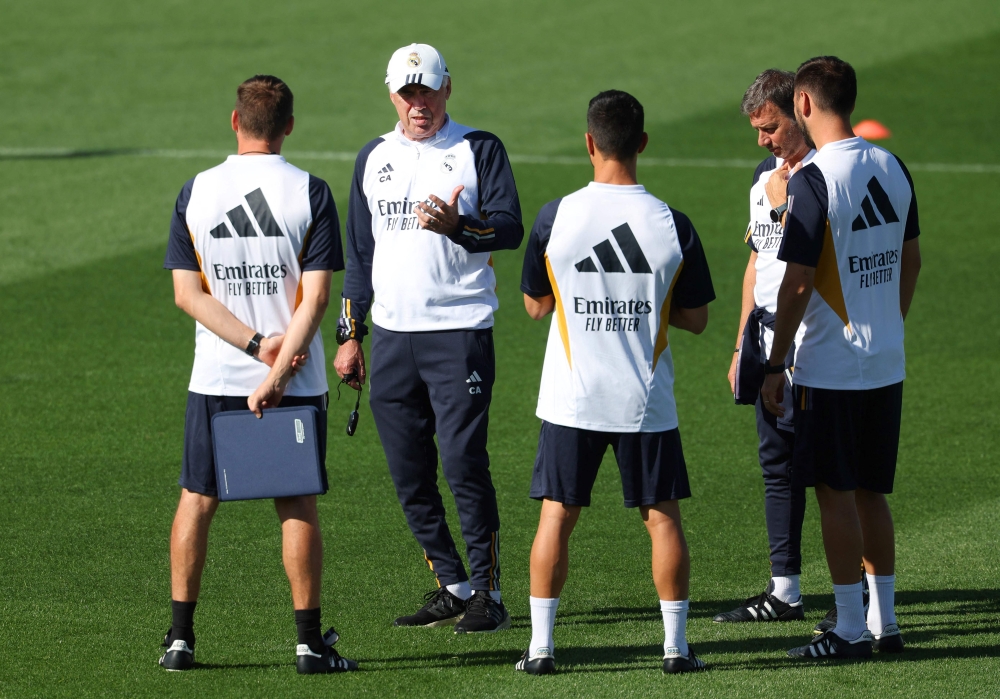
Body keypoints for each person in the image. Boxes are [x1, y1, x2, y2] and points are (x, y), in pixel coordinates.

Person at [160, 75, 357, 674]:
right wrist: (276, 369)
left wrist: (252, 346)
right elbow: (317, 300)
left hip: (217, 375)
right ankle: (307, 645)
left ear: (234, 122)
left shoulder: (197, 191)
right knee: (295, 502)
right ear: (289, 126)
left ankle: (179, 641)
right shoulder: (310, 192)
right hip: (294, 382)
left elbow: (186, 295)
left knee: (197, 499)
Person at [516, 90, 715, 675]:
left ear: (588, 142)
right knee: (662, 518)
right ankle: (676, 649)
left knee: (557, 514)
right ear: (643, 144)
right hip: (644, 402)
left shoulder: (557, 217)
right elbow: (698, 318)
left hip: (571, 398)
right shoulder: (672, 224)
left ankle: (540, 650)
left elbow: (533, 307)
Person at [334, 43, 523, 633]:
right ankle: (452, 582)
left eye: (428, 91)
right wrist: (350, 332)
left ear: (448, 88)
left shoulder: (478, 148)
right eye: (407, 93)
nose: (419, 103)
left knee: (464, 461)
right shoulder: (372, 157)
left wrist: (460, 227)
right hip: (391, 338)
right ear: (392, 94)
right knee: (408, 470)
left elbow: (509, 228)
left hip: (459, 331)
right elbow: (359, 256)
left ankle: (489, 595)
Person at [761, 56, 921, 660]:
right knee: (872, 493)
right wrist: (886, 325)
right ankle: (887, 625)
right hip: (886, 361)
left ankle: (849, 628)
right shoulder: (893, 165)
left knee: (833, 491)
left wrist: (775, 364)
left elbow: (797, 282)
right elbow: (911, 262)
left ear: (803, 104)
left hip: (830, 367)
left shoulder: (813, 180)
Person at [714, 69, 815, 624]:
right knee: (776, 466)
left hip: (814, 340)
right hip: (767, 337)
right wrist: (739, 349)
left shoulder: (822, 174)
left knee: (829, 469)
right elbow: (757, 262)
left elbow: (812, 262)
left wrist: (783, 203)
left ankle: (863, 595)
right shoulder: (763, 175)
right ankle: (785, 591)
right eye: (757, 130)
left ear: (799, 111)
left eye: (770, 127)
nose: (763, 141)